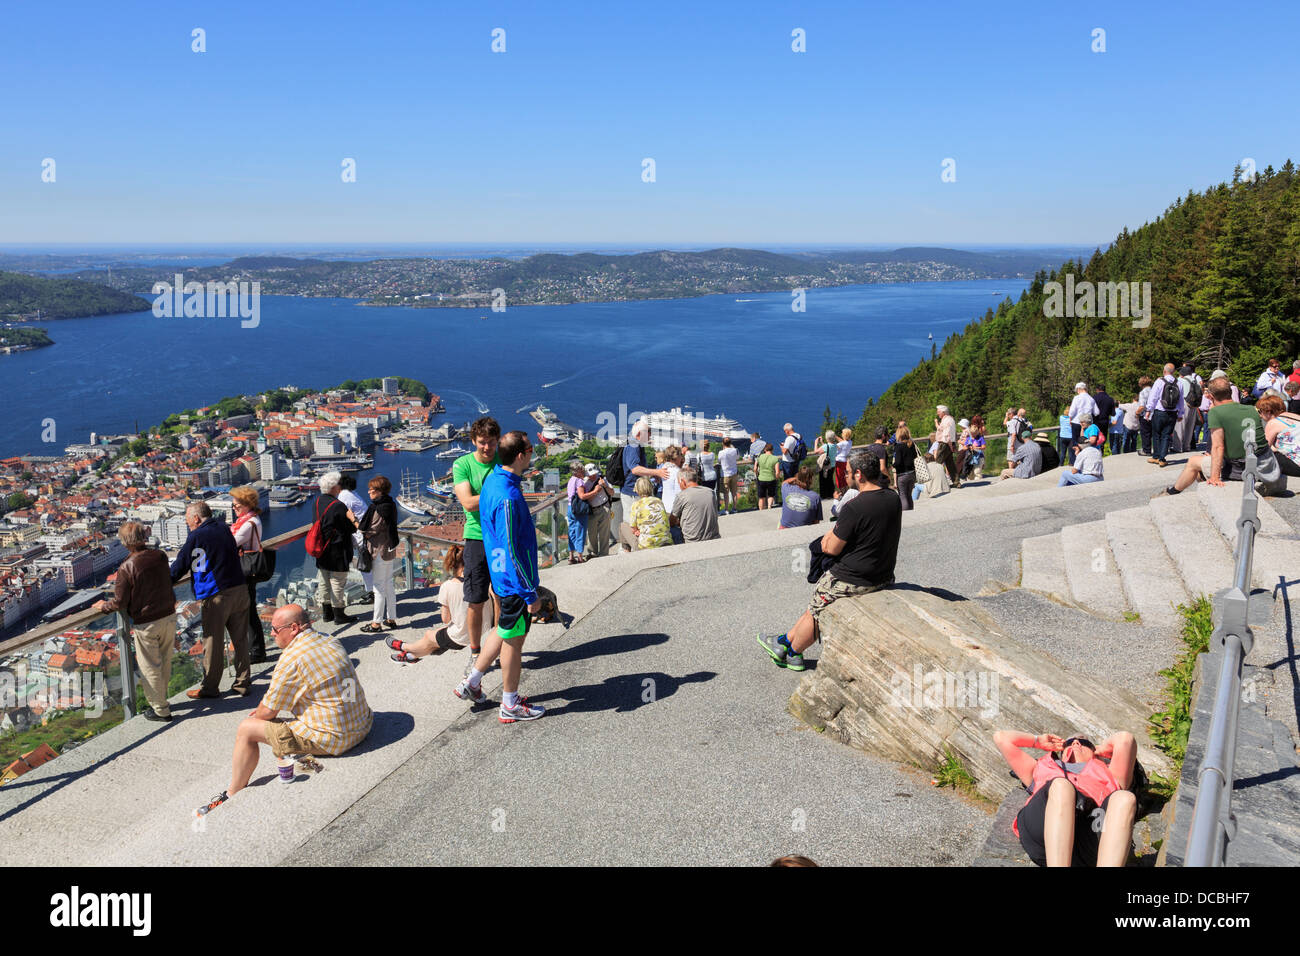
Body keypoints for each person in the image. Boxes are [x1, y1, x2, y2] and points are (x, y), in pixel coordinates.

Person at [196, 604, 373, 817]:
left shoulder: (292, 657)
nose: (271, 634)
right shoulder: (329, 639)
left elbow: (266, 712)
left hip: (338, 738)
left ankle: (232, 792)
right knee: (280, 718)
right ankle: (290, 751)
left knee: (247, 729)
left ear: (295, 628)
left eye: (275, 629)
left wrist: (261, 716)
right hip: (362, 724)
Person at [757, 452, 900, 672]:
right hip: (883, 573)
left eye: (849, 473)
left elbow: (831, 547)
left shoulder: (855, 506)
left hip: (853, 578)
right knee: (814, 605)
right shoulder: (892, 498)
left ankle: (793, 653)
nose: (846, 477)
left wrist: (827, 538)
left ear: (859, 475)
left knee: (816, 610)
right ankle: (784, 641)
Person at [454, 431, 547, 723]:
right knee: (514, 642)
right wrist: (530, 593)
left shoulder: (493, 479)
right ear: (520, 456)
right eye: (531, 449)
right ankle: (510, 703)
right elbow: (511, 548)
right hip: (513, 582)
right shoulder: (508, 495)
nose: (533, 453)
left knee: (503, 629)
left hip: (501, 576)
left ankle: (471, 681)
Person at [993, 729, 1138, 867]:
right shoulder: (1042, 766)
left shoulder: (1109, 773)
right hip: (1044, 832)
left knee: (1125, 798)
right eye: (1069, 743)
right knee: (1061, 786)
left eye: (1084, 742)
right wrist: (1037, 741)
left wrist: (1102, 748)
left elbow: (1125, 739)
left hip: (1091, 839)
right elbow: (1001, 737)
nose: (1076, 743)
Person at [94, 521, 176, 721]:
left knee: (150, 667)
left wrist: (102, 606)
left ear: (124, 543)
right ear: (144, 537)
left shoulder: (126, 567)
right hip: (169, 615)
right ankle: (162, 700)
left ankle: (161, 710)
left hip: (146, 622)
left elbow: (119, 602)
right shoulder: (160, 556)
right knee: (165, 661)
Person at [1155, 379, 1286, 498]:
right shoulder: (1251, 409)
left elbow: (1218, 446)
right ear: (1230, 392)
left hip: (1243, 467)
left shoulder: (1215, 413)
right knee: (1203, 469)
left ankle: (1170, 493)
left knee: (1193, 462)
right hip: (1265, 463)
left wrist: (1215, 477)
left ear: (1211, 396)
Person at [171, 501, 250, 699]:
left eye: (188, 521)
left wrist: (164, 582)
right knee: (240, 639)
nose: (189, 525)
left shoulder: (197, 535)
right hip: (239, 587)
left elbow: (181, 565)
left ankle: (210, 687)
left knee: (212, 642)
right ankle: (242, 683)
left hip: (216, 594)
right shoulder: (224, 528)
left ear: (196, 518)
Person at [453, 416, 501, 673]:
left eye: (491, 443)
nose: (487, 448)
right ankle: (475, 651)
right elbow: (468, 503)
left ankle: (499, 644)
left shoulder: (503, 460)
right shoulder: (463, 464)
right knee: (475, 598)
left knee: (502, 595)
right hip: (477, 537)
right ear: (473, 441)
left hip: (502, 536)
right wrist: (499, 494)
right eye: (482, 443)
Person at [388, 545, 475, 663]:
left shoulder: (448, 586)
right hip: (480, 629)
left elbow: (446, 619)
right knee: (436, 638)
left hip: (464, 635)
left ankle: (403, 647)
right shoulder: (480, 581)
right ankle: (411, 657)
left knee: (429, 637)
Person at [312, 471, 356, 626]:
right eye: (338, 484)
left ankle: (327, 613)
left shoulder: (317, 502)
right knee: (337, 582)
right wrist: (352, 519)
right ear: (334, 487)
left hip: (321, 549)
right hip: (337, 550)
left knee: (324, 580)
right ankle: (339, 614)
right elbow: (350, 528)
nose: (340, 486)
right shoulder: (338, 506)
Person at [230, 485, 268, 663]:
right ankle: (256, 649)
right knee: (249, 610)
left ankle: (257, 651)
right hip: (246, 569)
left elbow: (230, 544)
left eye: (237, 505)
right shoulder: (250, 520)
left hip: (245, 570)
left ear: (247, 504)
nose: (233, 508)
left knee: (248, 611)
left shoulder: (248, 524)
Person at [357, 475, 399, 633]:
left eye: (372, 489)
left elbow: (368, 531)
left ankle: (376, 623)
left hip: (378, 551)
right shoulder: (390, 504)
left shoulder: (378, 508)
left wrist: (353, 520)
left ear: (379, 491)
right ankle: (391, 619)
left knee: (379, 587)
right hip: (389, 549)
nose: (369, 492)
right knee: (388, 584)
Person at [619, 418, 669, 523]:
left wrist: (651, 475)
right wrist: (657, 472)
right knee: (633, 522)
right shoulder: (633, 446)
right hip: (632, 492)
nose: (650, 434)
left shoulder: (636, 444)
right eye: (648, 431)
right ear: (639, 434)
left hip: (634, 490)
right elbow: (635, 469)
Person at [336, 475, 373, 604]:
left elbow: (341, 514)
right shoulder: (353, 493)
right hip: (366, 532)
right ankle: (372, 591)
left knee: (364, 564)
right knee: (367, 564)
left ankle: (372, 593)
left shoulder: (344, 496)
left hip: (361, 534)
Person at [1144, 364, 1185, 467]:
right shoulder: (1179, 383)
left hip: (1160, 412)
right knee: (1166, 435)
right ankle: (1162, 459)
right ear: (1173, 371)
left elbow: (1153, 397)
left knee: (1156, 434)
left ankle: (1156, 457)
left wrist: (1148, 410)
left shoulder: (1159, 382)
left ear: (1164, 371)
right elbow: (1181, 400)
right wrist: (1180, 413)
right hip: (1173, 413)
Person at [618, 476, 673, 550]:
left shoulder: (636, 505)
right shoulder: (659, 501)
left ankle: (627, 552)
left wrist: (637, 530)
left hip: (646, 545)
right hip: (665, 542)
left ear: (637, 490)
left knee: (622, 526)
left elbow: (633, 529)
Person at [669, 466, 721, 543]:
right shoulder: (710, 492)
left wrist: (678, 522)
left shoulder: (682, 496)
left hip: (693, 540)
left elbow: (672, 521)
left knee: (672, 530)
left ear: (682, 482)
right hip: (714, 537)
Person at [1258, 394, 1300, 480]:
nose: (1260, 415)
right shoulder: (1296, 416)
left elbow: (1264, 448)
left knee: (1264, 456)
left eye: (1260, 411)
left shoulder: (1273, 422)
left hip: (1297, 465)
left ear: (1268, 411)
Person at [581, 462, 615, 558]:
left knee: (604, 533)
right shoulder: (584, 483)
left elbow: (612, 493)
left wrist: (605, 486)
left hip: (604, 507)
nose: (593, 476)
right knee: (592, 533)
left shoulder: (603, 479)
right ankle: (593, 553)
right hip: (592, 510)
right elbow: (586, 499)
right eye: (591, 475)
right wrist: (595, 491)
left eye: (594, 474)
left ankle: (604, 554)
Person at [779, 465, 823, 529]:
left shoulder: (787, 488)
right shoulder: (815, 497)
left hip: (784, 529)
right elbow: (816, 523)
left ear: (798, 477)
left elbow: (784, 482)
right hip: (804, 531)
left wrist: (795, 479)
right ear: (811, 479)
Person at [565, 461, 592, 564]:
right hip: (579, 509)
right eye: (582, 470)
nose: (583, 472)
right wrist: (595, 491)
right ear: (577, 471)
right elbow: (582, 496)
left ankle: (571, 556)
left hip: (570, 507)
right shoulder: (579, 481)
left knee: (572, 531)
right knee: (580, 531)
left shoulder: (571, 480)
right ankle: (580, 556)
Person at [1173, 364, 1203, 454]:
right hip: (1194, 405)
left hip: (1184, 403)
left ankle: (1178, 447)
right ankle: (1187, 446)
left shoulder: (1180, 380)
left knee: (1180, 426)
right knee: (1190, 427)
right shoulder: (1195, 381)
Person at [1067, 383, 1099, 465]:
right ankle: (1085, 460)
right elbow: (1096, 412)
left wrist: (1070, 419)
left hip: (1076, 422)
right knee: (1085, 442)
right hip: (1087, 424)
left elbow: (1072, 411)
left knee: (1075, 442)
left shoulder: (1077, 398)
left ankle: (1074, 461)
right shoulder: (1091, 399)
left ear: (1079, 389)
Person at [892, 425, 917, 510]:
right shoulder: (911, 444)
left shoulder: (898, 447)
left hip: (902, 474)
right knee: (909, 495)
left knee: (902, 495)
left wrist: (893, 465)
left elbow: (898, 462)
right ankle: (911, 511)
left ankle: (906, 514)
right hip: (912, 473)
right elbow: (915, 456)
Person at [933, 405, 959, 485]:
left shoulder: (947, 420)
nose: (937, 414)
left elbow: (947, 434)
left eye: (938, 412)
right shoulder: (949, 419)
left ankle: (935, 484)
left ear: (943, 412)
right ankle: (956, 482)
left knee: (937, 463)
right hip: (947, 443)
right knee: (950, 463)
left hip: (945, 443)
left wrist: (950, 445)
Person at [956, 414, 986, 479]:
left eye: (973, 435)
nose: (972, 436)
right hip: (971, 457)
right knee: (971, 473)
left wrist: (976, 447)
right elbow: (965, 447)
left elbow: (984, 447)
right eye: (971, 434)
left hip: (979, 456)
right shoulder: (969, 438)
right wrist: (968, 447)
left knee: (977, 472)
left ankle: (979, 481)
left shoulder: (980, 438)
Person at [717, 436, 740, 514]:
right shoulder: (735, 450)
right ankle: (735, 508)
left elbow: (719, 461)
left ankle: (726, 510)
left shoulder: (721, 452)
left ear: (723, 443)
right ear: (731, 443)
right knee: (734, 492)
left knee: (726, 493)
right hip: (734, 473)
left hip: (725, 474)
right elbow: (738, 457)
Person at [813, 431, 837, 500]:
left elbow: (816, 451)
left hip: (825, 467)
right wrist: (822, 443)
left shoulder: (825, 446)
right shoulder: (835, 445)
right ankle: (831, 495)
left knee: (823, 481)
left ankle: (824, 496)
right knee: (830, 480)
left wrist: (816, 443)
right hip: (832, 465)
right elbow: (827, 448)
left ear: (827, 438)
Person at [660, 445, 684, 516]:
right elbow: (679, 492)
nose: (681, 458)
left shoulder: (664, 469)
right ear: (676, 457)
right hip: (674, 509)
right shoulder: (677, 472)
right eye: (680, 455)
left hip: (665, 505)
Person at [755, 442, 780, 510]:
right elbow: (777, 472)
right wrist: (776, 478)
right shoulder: (775, 458)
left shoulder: (760, 457)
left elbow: (755, 468)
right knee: (771, 495)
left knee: (761, 497)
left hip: (761, 479)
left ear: (765, 449)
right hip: (771, 479)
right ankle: (769, 507)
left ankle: (761, 510)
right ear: (772, 450)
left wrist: (757, 474)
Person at [1136, 375, 1154, 457]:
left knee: (1145, 433)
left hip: (1145, 415)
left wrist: (1137, 413)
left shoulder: (1142, 392)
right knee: (1153, 433)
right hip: (1154, 414)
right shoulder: (1154, 390)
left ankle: (1146, 450)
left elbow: (1142, 406)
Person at [834, 427, 853, 498]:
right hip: (845, 462)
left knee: (839, 478)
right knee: (845, 478)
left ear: (844, 435)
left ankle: (843, 494)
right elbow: (842, 441)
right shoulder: (850, 442)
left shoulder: (841, 444)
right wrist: (835, 436)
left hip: (839, 462)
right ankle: (847, 493)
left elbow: (832, 447)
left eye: (842, 433)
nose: (841, 434)